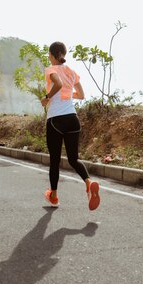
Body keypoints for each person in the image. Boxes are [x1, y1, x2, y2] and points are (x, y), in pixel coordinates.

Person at [41, 41, 100, 211]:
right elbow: (81, 95)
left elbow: (58, 84)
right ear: (64, 54)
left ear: (52, 55)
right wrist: (66, 94)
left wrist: (47, 97)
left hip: (56, 120)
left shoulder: (51, 69)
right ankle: (88, 182)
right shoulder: (72, 72)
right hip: (73, 119)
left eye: (49, 55)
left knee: (55, 160)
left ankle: (54, 196)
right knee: (74, 159)